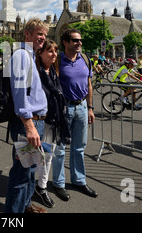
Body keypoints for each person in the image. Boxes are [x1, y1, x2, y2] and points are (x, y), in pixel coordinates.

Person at [4, 18, 48, 213]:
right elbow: (20, 92)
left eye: (45, 35)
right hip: (27, 124)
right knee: (21, 174)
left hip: (34, 122)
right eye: (39, 34)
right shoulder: (22, 55)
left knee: (30, 170)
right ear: (27, 35)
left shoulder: (29, 55)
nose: (43, 38)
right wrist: (29, 126)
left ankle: (26, 206)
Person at [52, 28, 97, 202]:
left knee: (79, 147)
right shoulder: (57, 60)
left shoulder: (84, 59)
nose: (79, 43)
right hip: (64, 109)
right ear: (65, 42)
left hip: (82, 107)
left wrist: (90, 108)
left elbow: (89, 85)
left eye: (80, 40)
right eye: (75, 40)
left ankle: (79, 180)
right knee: (60, 148)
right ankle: (59, 184)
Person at [33, 39, 69, 209]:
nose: (54, 54)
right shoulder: (36, 73)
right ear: (40, 53)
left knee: (47, 157)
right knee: (35, 158)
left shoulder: (53, 72)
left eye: (56, 51)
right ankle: (35, 189)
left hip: (53, 121)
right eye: (50, 51)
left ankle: (41, 186)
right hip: (39, 122)